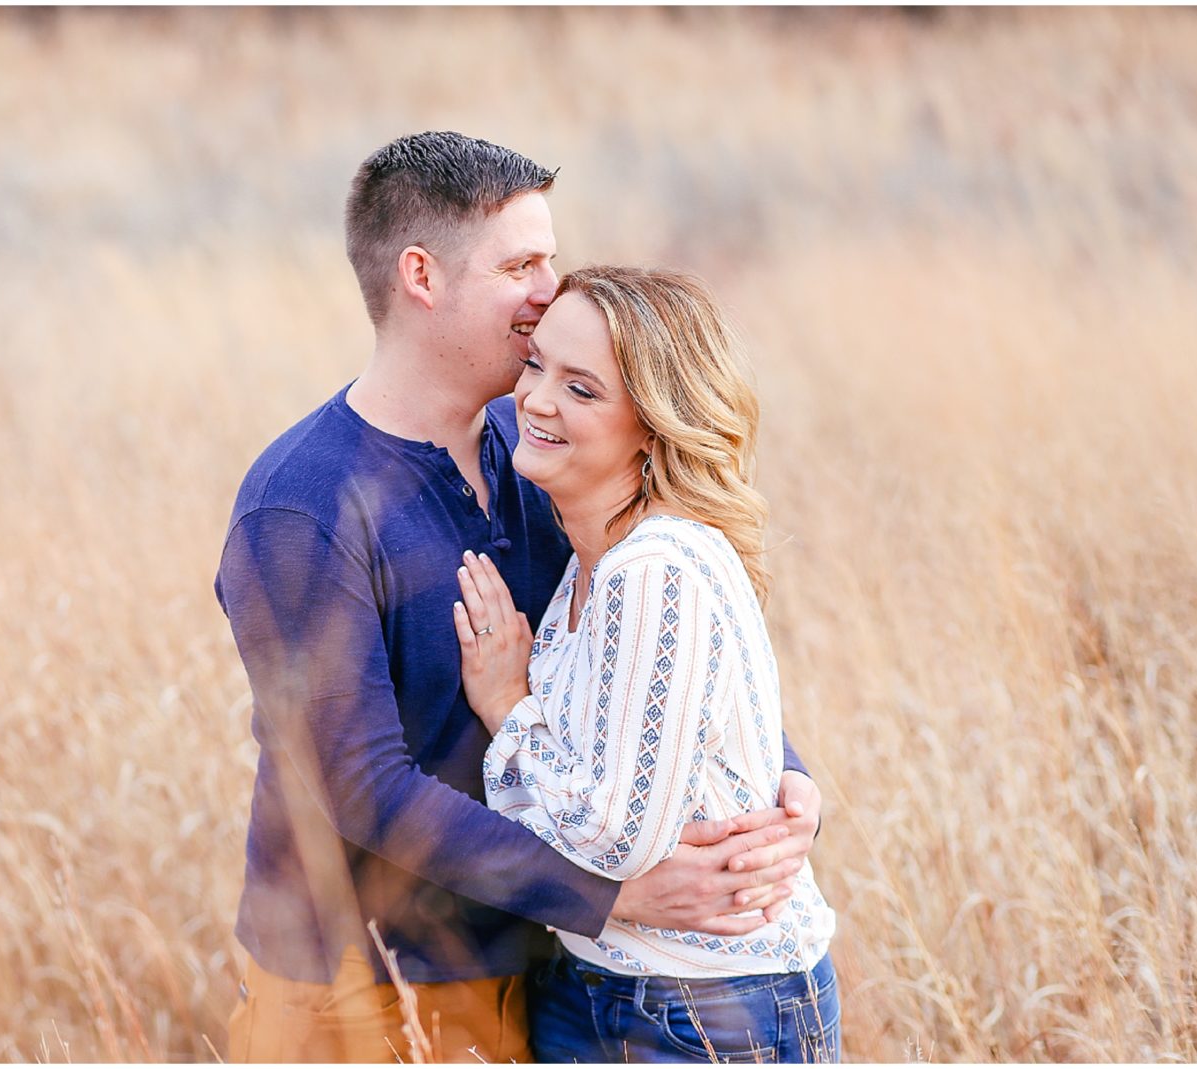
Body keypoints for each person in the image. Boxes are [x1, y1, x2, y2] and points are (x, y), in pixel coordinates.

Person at [214, 132, 823, 1063]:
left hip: (544, 964)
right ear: (422, 276)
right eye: (521, 265)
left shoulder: (538, 441)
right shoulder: (304, 504)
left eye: (550, 257)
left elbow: (666, 634)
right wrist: (614, 896)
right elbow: (364, 788)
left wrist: (786, 785)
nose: (550, 290)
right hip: (369, 986)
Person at [452, 265, 839, 1062]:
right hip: (598, 982)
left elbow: (613, 839)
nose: (538, 400)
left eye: (583, 389)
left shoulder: (656, 565)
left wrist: (506, 707)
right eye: (536, 366)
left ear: (653, 424)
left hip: (703, 1008)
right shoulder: (591, 560)